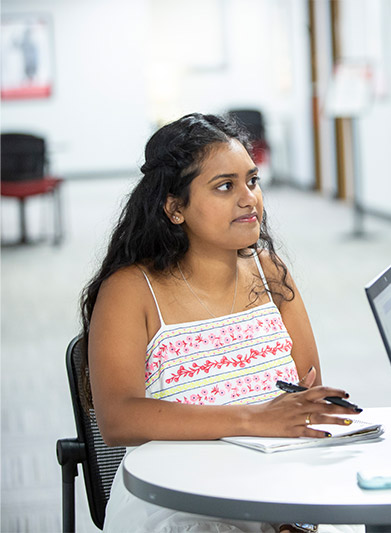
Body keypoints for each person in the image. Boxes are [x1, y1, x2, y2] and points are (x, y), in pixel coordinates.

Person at [79, 113, 362, 533]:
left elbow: (307, 394)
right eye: (225, 186)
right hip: (178, 501)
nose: (249, 199)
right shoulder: (132, 290)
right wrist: (252, 418)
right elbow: (119, 419)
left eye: (252, 180)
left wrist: (291, 514)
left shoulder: (270, 271)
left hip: (276, 486)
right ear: (175, 208)